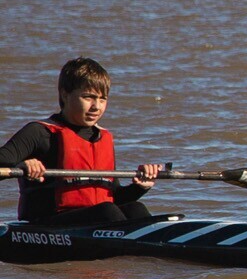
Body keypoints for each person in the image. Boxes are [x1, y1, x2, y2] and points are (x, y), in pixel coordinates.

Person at [1, 57, 161, 227]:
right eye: (88, 97)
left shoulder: (102, 137)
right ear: (65, 94)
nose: (96, 107)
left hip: (95, 221)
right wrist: (21, 165)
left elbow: (113, 197)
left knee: (135, 209)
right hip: (46, 226)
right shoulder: (39, 132)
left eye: (102, 99)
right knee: (107, 211)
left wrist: (141, 187)